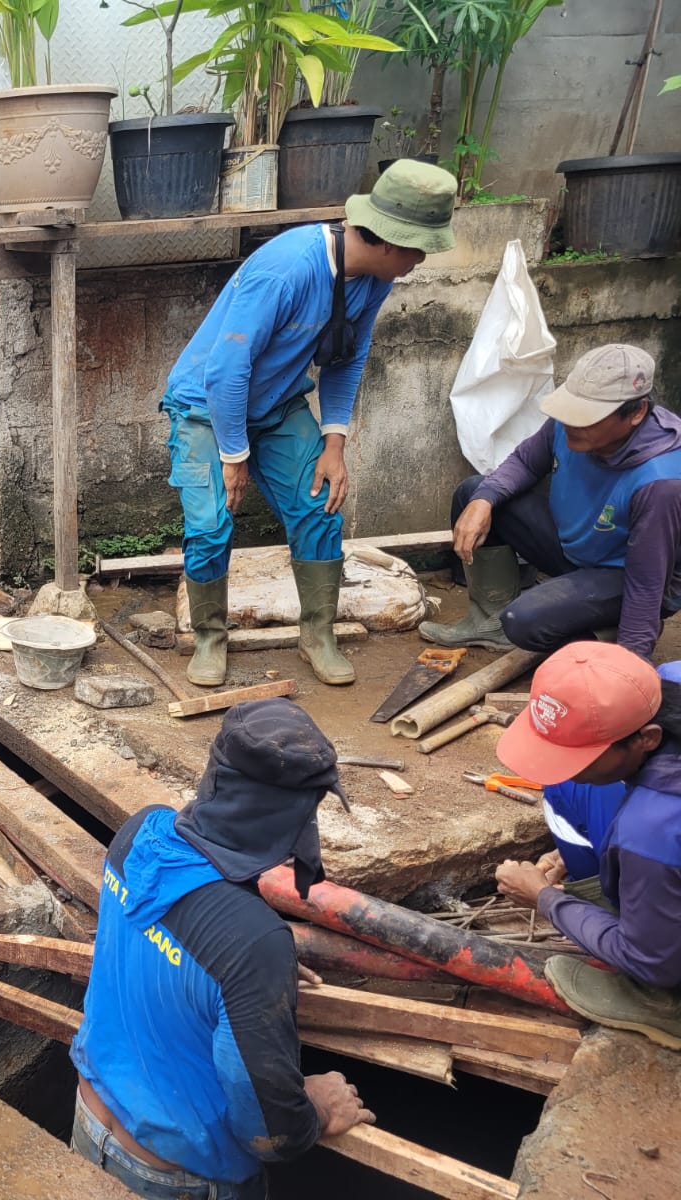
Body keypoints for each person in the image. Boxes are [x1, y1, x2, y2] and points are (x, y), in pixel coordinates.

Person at [162, 160, 457, 689]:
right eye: (421, 247)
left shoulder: (375, 277)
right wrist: (234, 455)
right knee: (210, 526)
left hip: (276, 404)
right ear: (391, 240)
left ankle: (317, 634)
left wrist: (335, 441)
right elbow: (227, 369)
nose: (424, 258)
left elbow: (349, 355)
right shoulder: (288, 269)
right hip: (209, 406)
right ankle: (210, 638)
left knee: (321, 507)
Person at [70, 698, 374, 1198]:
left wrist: (239, 972)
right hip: (174, 1178)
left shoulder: (138, 834)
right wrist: (318, 1109)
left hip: (89, 1121)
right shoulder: (255, 946)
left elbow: (159, 934)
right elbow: (267, 1133)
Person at [420, 344, 681, 658]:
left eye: (588, 416)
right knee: (474, 493)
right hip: (576, 549)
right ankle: (488, 621)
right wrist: (483, 501)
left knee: (524, 622)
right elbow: (526, 462)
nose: (571, 422)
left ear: (636, 412)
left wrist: (629, 665)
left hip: (625, 576)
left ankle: (606, 633)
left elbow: (647, 584)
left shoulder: (661, 481)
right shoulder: (568, 425)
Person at [492, 643, 681, 1048]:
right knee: (568, 788)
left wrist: (544, 898)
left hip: (659, 945)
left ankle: (666, 1009)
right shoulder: (671, 679)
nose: (568, 769)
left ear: (647, 738)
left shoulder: (650, 831)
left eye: (583, 757)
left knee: (657, 971)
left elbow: (649, 960)